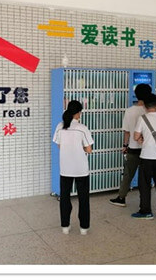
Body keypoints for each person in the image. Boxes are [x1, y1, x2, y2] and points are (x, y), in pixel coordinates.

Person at [52, 100, 93, 235]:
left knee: (65, 198)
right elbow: (88, 150)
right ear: (77, 113)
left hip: (65, 168)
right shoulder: (82, 128)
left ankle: (65, 226)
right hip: (81, 168)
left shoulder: (60, 126)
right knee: (83, 199)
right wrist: (78, 147)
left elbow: (58, 145)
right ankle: (84, 228)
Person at [110, 83, 153, 207]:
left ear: (136, 95)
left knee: (128, 174)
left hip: (133, 148)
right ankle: (144, 202)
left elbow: (127, 131)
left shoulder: (129, 111)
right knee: (145, 177)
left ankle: (121, 198)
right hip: (147, 149)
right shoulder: (150, 111)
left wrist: (125, 145)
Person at [132, 94, 156, 220]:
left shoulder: (142, 118)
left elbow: (136, 137)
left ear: (145, 107)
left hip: (147, 156)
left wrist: (142, 138)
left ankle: (146, 211)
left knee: (145, 185)